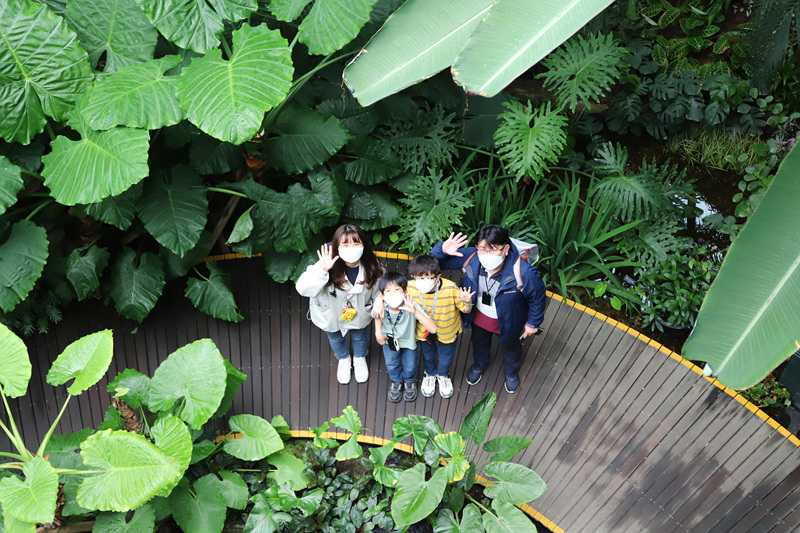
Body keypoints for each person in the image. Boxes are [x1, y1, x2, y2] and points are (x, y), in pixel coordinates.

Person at [431, 225, 546, 394]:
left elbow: (537, 297)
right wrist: (441, 250)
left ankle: (511, 372)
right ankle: (480, 363)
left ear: (506, 249)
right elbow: (431, 266)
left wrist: (533, 323)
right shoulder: (472, 257)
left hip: (509, 319)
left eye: (493, 250)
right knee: (479, 341)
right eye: (483, 249)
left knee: (511, 346)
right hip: (479, 315)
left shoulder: (523, 272)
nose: (487, 255)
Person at [296, 224, 383, 385]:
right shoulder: (326, 264)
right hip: (330, 313)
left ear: (363, 245)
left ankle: (359, 358)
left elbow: (383, 286)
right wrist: (322, 270)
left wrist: (379, 299)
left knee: (360, 336)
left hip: (359, 312)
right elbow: (303, 289)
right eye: (345, 245)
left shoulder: (371, 265)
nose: (351, 249)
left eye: (356, 243)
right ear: (337, 247)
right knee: (335, 338)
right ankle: (344, 359)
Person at [407, 254, 474, 399]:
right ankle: (430, 374)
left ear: (438, 277)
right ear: (413, 276)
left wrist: (467, 302)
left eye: (428, 277)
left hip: (448, 330)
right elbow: (389, 290)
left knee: (446, 357)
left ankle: (443, 375)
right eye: (418, 278)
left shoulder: (450, 288)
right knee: (428, 356)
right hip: (424, 331)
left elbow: (466, 310)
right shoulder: (409, 287)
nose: (422, 281)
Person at [374, 272, 437, 403]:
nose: (393, 294)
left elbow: (433, 329)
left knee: (411, 364)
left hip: (409, 342)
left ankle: (409, 381)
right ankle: (396, 381)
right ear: (383, 295)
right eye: (388, 291)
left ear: (405, 292)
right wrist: (378, 332)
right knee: (391, 363)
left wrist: (415, 312)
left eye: (397, 289)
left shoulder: (411, 305)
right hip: (389, 341)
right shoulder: (381, 305)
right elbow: (377, 316)